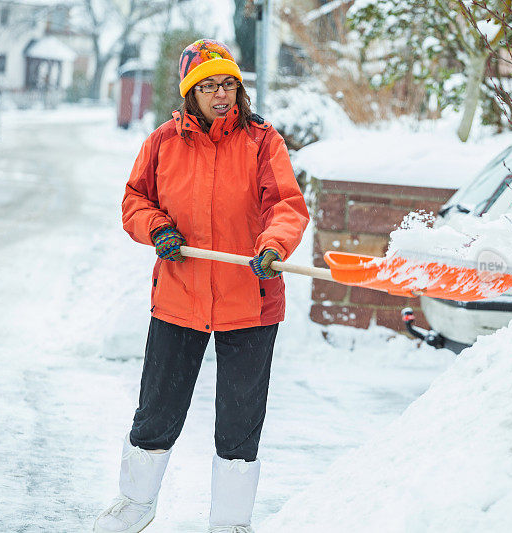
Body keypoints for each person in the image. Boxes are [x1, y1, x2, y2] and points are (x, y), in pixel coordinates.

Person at [94, 39, 309, 533]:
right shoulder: (164, 142)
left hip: (251, 300)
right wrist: (158, 230)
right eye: (209, 85)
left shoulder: (261, 141)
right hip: (178, 297)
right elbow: (134, 200)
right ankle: (135, 502)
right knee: (157, 410)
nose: (221, 94)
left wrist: (273, 247)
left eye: (228, 84)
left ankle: (231, 522)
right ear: (190, 92)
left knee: (240, 422)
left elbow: (286, 205)